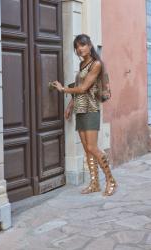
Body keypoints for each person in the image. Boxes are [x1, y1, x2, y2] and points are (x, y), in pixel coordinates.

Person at [52, 34, 117, 196]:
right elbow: (79, 88)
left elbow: (83, 89)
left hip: (91, 109)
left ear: (89, 46)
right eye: (77, 46)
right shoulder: (82, 65)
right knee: (87, 150)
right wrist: (70, 106)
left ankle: (111, 180)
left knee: (92, 147)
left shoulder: (96, 64)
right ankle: (94, 183)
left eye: (83, 45)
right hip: (80, 110)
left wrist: (63, 89)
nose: (80, 49)